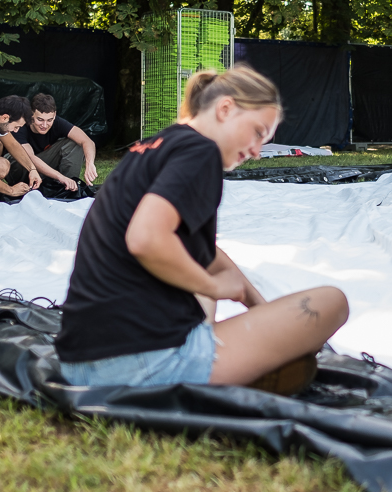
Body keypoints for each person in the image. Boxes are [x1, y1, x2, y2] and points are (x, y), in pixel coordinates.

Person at [55, 64, 349, 394]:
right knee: (332, 302)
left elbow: (207, 254)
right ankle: (228, 370)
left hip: (78, 361)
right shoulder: (201, 152)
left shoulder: (158, 144)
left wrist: (259, 307)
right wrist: (214, 286)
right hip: (138, 365)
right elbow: (145, 238)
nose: (256, 152)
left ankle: (235, 360)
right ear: (225, 109)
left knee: (200, 283)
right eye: (257, 133)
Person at [6, 93, 98, 190]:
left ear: (54, 115)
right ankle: (61, 181)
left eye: (49, 120)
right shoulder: (20, 124)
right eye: (40, 119)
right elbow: (29, 157)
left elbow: (87, 141)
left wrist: (90, 163)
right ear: (31, 114)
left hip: (43, 165)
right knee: (22, 156)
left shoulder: (57, 122)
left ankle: (68, 186)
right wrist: (60, 176)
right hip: (20, 167)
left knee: (76, 143)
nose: (44, 125)